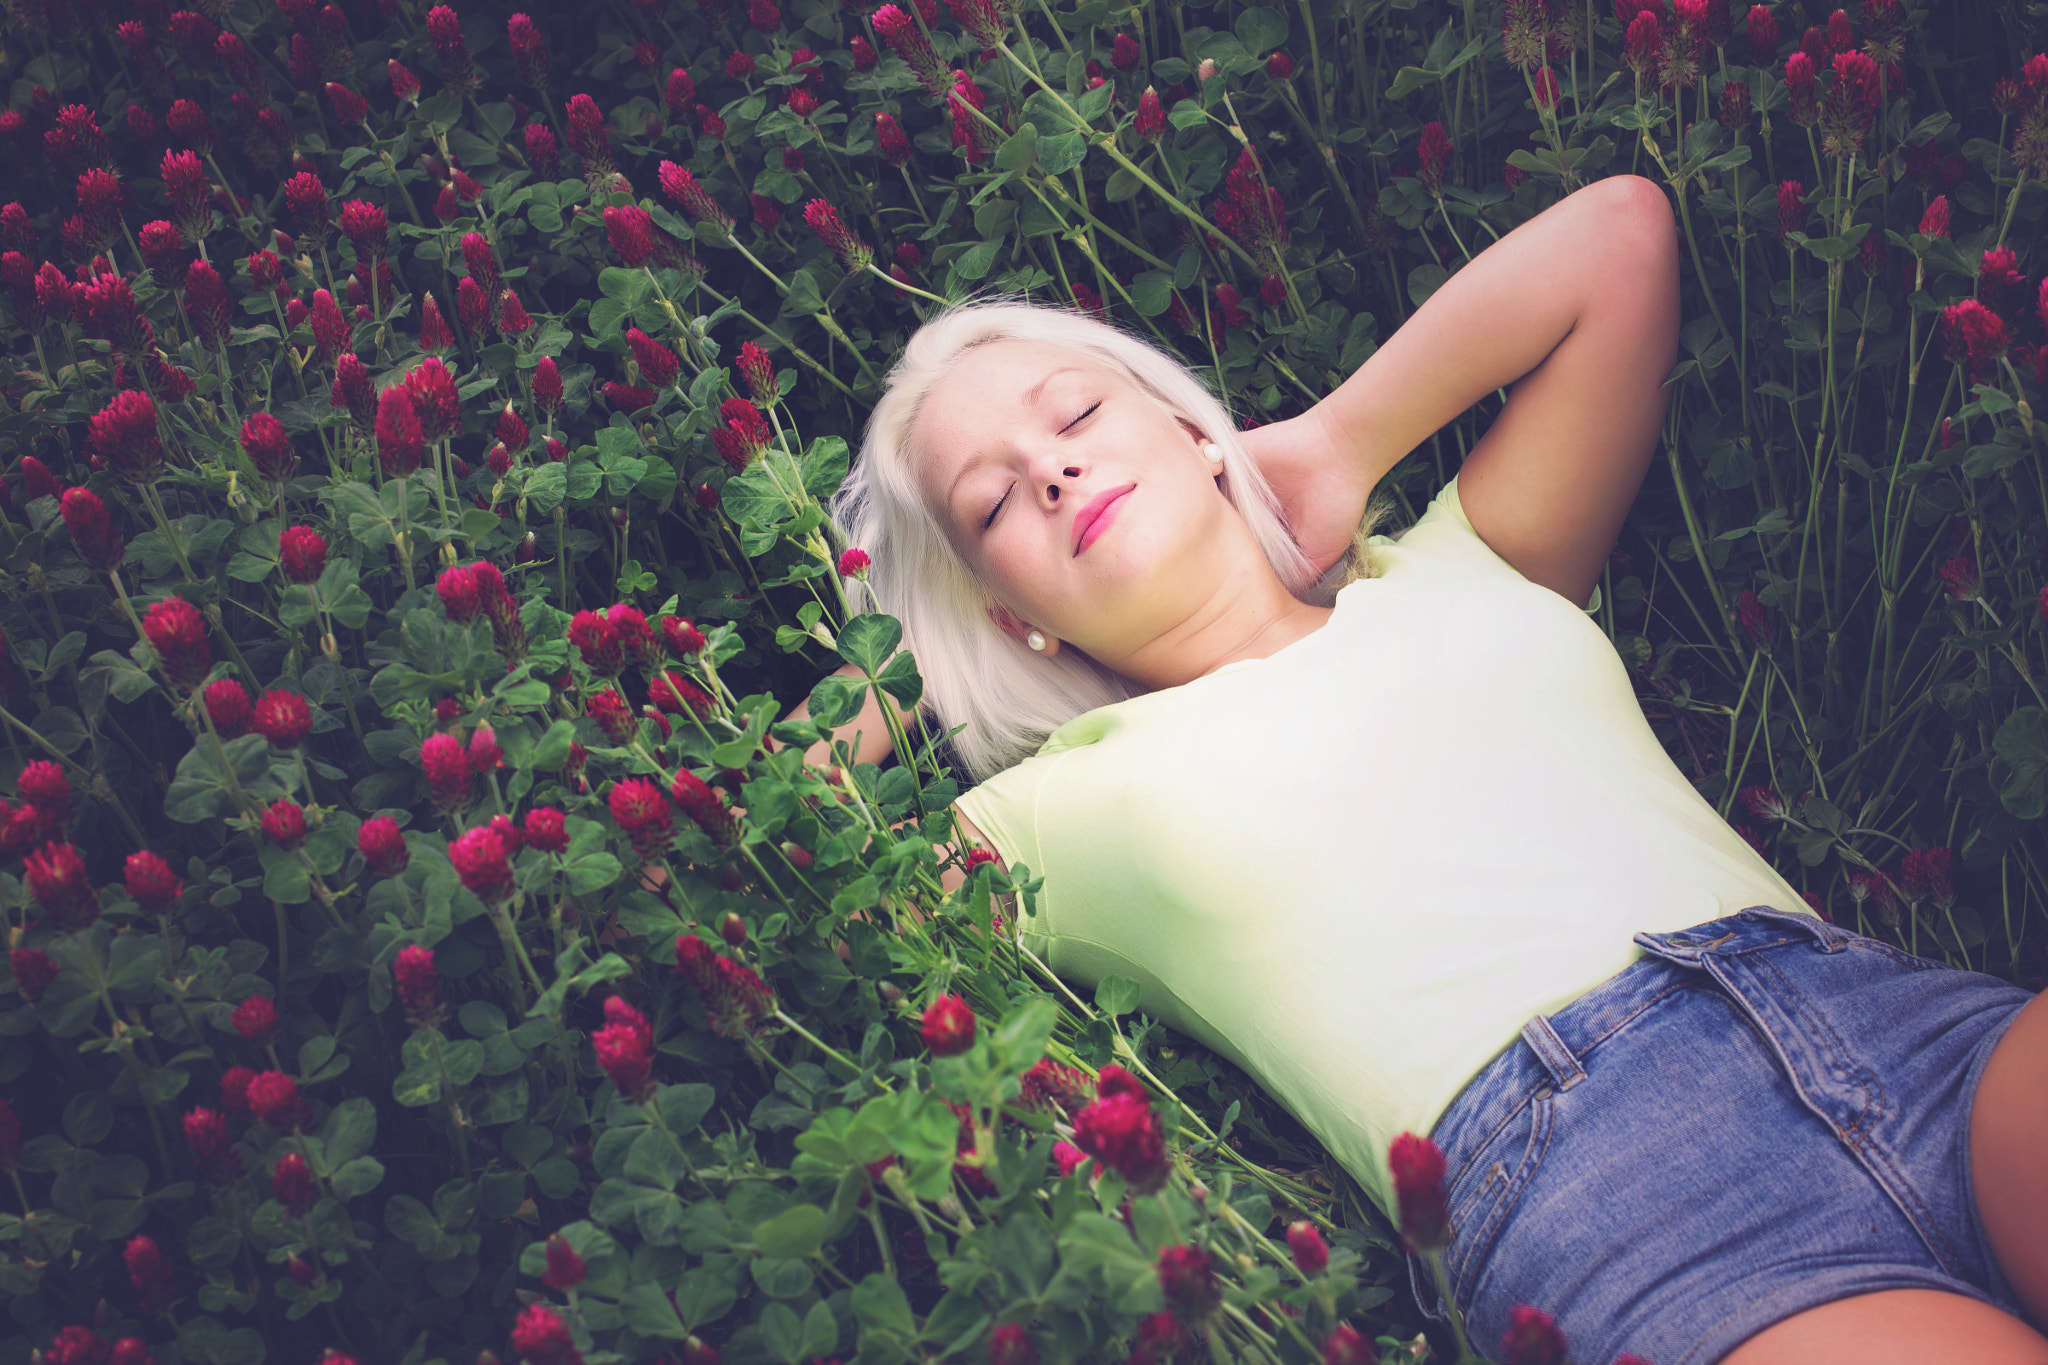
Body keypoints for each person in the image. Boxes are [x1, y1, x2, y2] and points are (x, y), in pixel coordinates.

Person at [781, 176, 2048, 1364]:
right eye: (992, 508)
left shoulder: (1467, 560)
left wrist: (1338, 442)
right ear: (1013, 622)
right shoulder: (1055, 806)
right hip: (1597, 1182)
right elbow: (759, 829)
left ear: (1188, 430)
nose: (1049, 470)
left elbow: (1619, 235)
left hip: (1885, 1019)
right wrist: (913, 663)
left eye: (1072, 414)